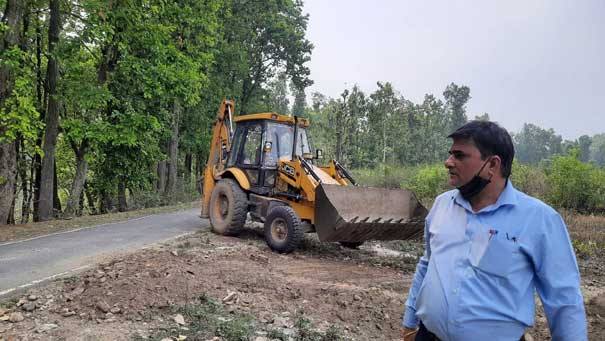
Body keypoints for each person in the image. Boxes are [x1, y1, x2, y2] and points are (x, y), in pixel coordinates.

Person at [402, 121, 587, 341]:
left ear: (492, 165)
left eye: (460, 156)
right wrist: (409, 321)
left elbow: (564, 300)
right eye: (450, 154)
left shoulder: (538, 220)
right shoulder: (442, 205)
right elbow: (427, 264)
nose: (448, 162)